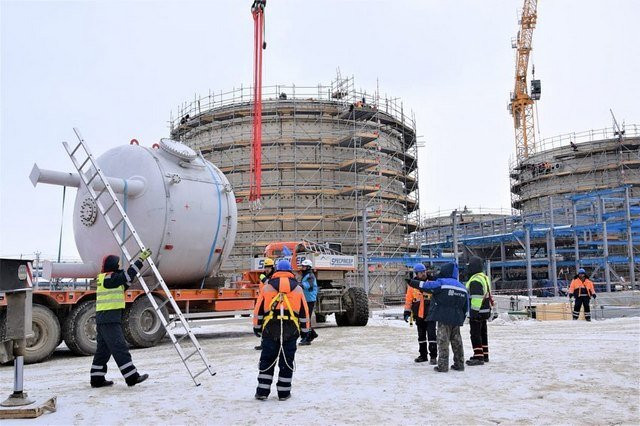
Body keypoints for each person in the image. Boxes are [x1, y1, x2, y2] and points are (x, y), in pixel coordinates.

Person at [90, 249, 152, 388]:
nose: (118, 266)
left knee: (103, 351)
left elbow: (125, 281)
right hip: (109, 320)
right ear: (112, 265)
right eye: (117, 264)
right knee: (120, 348)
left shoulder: (108, 279)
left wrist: (130, 274)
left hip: (105, 319)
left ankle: (97, 379)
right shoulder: (108, 278)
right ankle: (132, 377)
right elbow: (126, 276)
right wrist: (140, 260)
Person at [253, 260, 310, 401]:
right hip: (291, 329)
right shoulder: (298, 289)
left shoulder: (267, 287)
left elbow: (258, 310)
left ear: (276, 270)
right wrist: (305, 331)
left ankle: (262, 392)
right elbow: (304, 313)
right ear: (290, 271)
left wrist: (257, 328)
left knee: (267, 360)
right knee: (286, 362)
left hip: (270, 328)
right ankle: (284, 393)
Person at [408, 262, 469, 373]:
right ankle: (459, 364)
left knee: (443, 341)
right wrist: (462, 317)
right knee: (457, 342)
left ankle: (443, 366)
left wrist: (411, 282)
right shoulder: (462, 287)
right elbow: (466, 306)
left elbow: (426, 286)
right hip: (456, 318)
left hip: (443, 317)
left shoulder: (441, 283)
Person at [403, 264, 437, 364]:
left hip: (430, 314)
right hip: (419, 314)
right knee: (421, 336)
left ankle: (433, 356)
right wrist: (406, 311)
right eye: (420, 272)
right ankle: (423, 355)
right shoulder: (412, 284)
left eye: (424, 271)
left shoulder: (432, 281)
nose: (423, 274)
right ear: (416, 274)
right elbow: (409, 299)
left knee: (432, 335)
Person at [465, 257, 493, 366]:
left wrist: (473, 313)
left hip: (478, 311)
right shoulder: (484, 277)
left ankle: (478, 356)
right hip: (485, 310)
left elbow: (476, 298)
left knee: (475, 334)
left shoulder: (475, 280)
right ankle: (484, 354)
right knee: (483, 333)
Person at [255, 258, 276, 351]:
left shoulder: (274, 276)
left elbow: (270, 285)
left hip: (271, 303)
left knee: (271, 324)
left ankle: (272, 343)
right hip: (263, 301)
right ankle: (263, 343)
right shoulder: (263, 275)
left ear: (272, 267)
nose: (267, 269)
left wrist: (264, 279)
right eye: (266, 267)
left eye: (269, 267)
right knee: (264, 323)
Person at [299, 259, 318, 346]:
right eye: (302, 266)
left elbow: (309, 285)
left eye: (304, 266)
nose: (302, 268)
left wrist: (300, 285)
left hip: (309, 299)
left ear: (308, 267)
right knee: (305, 318)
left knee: (306, 318)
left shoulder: (310, 275)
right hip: (306, 299)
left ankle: (308, 337)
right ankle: (312, 334)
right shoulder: (306, 275)